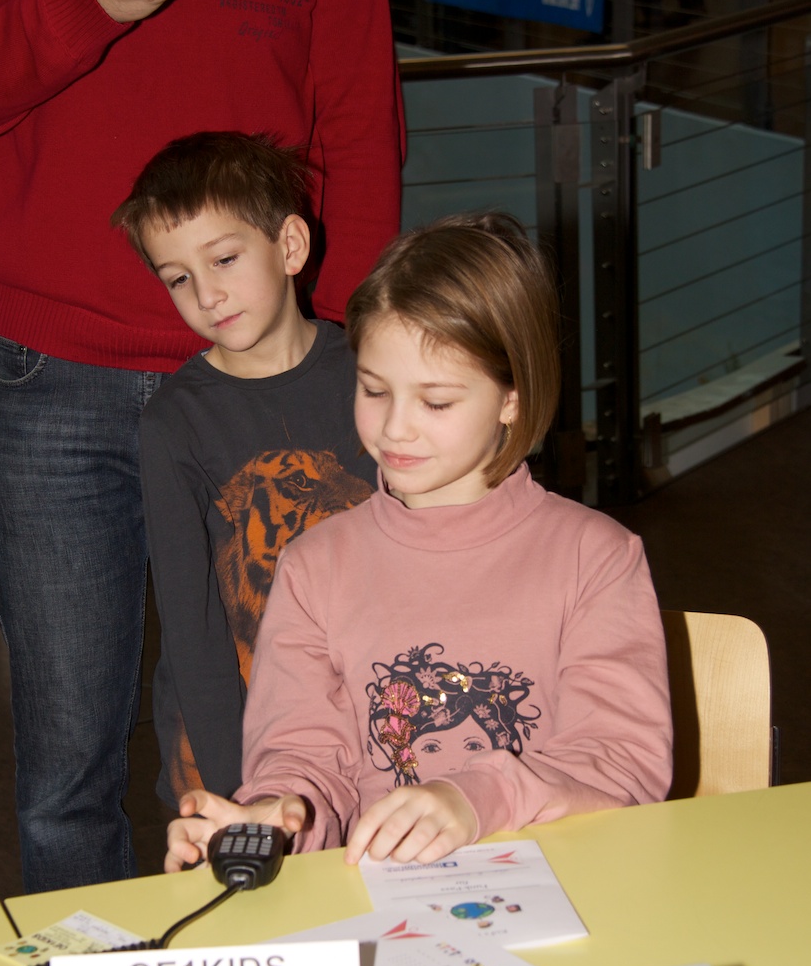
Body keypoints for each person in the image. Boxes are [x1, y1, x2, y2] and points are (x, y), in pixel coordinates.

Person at [0, 0, 403, 892]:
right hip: (55, 375)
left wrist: (346, 360)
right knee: (66, 766)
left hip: (274, 380)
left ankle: (300, 959)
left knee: (321, 717)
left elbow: (358, 121)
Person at [165, 213, 673, 871]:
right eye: (374, 390)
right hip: (385, 896)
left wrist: (475, 797)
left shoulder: (594, 557)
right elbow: (302, 755)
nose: (395, 428)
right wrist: (278, 813)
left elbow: (621, 761)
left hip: (563, 884)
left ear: (512, 398)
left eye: (435, 402)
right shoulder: (314, 565)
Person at [112, 130, 378, 806]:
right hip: (232, 737)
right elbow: (191, 623)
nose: (207, 295)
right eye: (178, 278)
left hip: (374, 720)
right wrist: (238, 790)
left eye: (224, 259)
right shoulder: (173, 423)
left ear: (290, 246)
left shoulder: (375, 376)